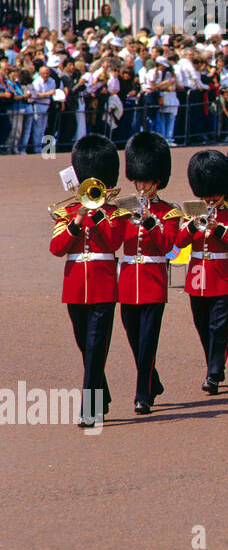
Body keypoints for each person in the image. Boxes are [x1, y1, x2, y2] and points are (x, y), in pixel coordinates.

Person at [50, 135, 124, 426]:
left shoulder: (115, 212)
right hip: (75, 288)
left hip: (104, 287)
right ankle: (101, 393)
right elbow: (57, 249)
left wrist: (97, 215)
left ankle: (90, 409)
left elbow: (114, 241)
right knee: (86, 348)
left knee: (95, 348)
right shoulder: (67, 212)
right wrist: (77, 219)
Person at [118, 132, 181, 415]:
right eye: (138, 180)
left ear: (157, 181)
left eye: (146, 180)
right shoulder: (124, 209)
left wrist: (151, 222)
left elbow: (171, 248)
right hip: (129, 279)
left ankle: (142, 394)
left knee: (147, 341)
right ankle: (152, 379)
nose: (141, 185)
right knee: (134, 339)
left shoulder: (169, 213)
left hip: (154, 280)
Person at [176, 150, 228, 395]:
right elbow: (179, 242)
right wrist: (193, 224)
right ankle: (214, 362)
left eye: (214, 195)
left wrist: (220, 230)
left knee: (219, 325)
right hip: (197, 276)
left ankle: (214, 371)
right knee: (202, 324)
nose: (211, 199)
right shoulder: (193, 211)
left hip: (223, 274)